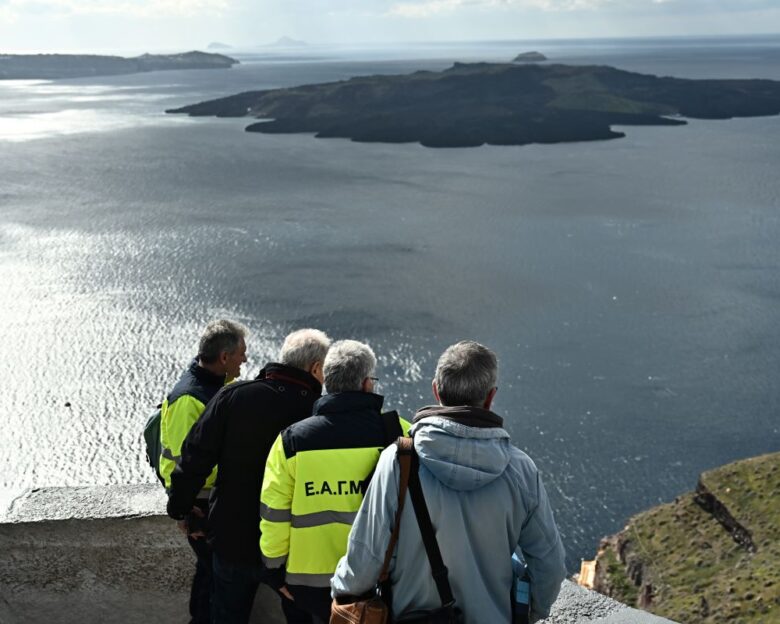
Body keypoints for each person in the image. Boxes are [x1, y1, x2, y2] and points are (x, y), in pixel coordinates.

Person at [331, 340, 567, 624]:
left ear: (435, 389)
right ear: (491, 397)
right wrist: (533, 613)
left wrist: (341, 592)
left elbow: (365, 558)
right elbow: (550, 567)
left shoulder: (399, 460)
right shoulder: (520, 471)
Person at [167, 328, 332, 624]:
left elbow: (193, 459)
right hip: (293, 549)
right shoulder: (319, 414)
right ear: (316, 368)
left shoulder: (233, 396)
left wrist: (181, 509)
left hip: (232, 541)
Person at [260, 340, 411, 623]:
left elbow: (274, 514)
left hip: (307, 587)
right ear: (367, 384)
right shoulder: (399, 433)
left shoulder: (291, 441)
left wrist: (273, 571)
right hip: (378, 583)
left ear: (327, 381)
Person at [160, 319, 249, 624]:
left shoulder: (217, 386)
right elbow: (187, 464)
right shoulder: (189, 399)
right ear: (224, 358)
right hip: (200, 504)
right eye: (242, 353)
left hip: (207, 502)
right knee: (218, 582)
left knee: (209, 575)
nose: (245, 360)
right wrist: (188, 512)